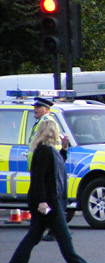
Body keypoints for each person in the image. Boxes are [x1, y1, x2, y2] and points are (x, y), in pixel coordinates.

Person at [5, 120, 99, 263]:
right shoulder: (44, 152)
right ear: (52, 133)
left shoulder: (48, 151)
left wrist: (64, 149)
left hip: (48, 202)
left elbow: (55, 167)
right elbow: (39, 179)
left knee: (33, 237)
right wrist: (42, 201)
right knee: (64, 237)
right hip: (49, 203)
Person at [28, 97, 60, 242]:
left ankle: (57, 229)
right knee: (43, 206)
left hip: (44, 166)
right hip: (40, 166)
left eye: (38, 107)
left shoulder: (46, 122)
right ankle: (56, 228)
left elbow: (54, 144)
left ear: (46, 109)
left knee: (44, 201)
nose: (35, 109)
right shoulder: (40, 121)